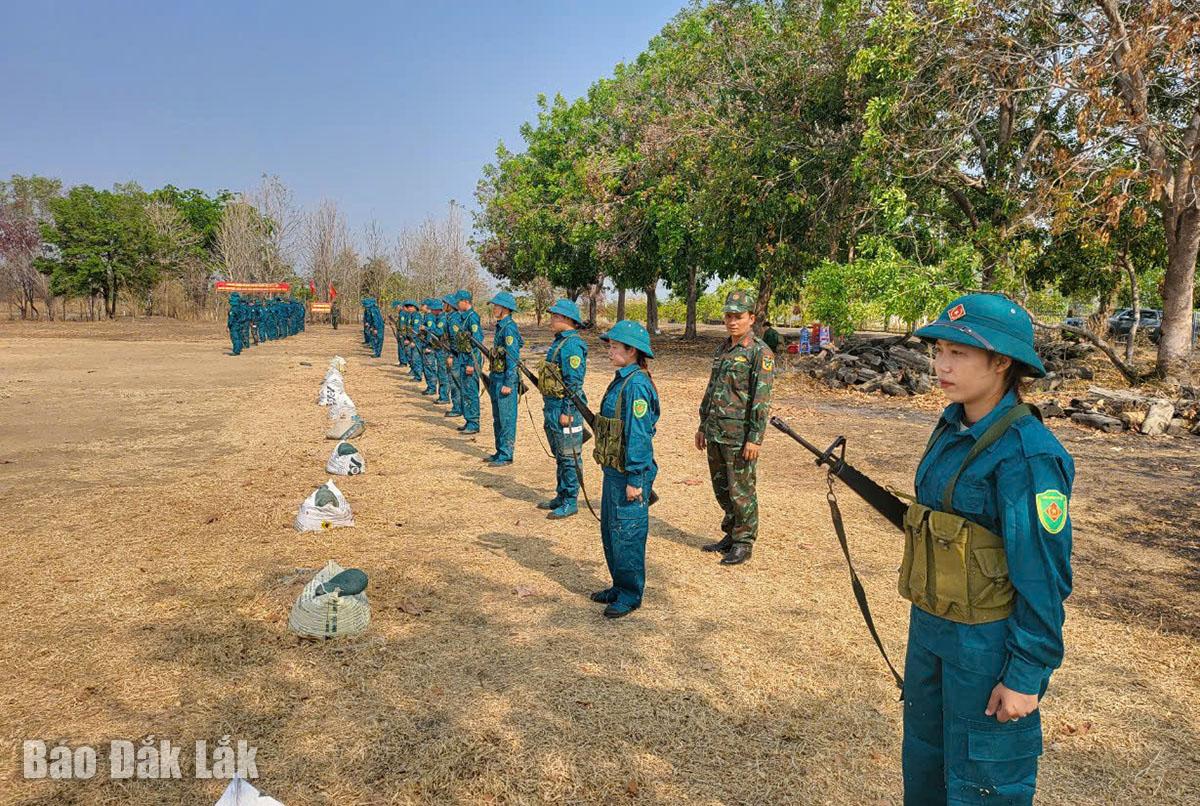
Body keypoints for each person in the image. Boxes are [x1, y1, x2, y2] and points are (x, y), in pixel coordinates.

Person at [900, 292, 1074, 805]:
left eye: (959, 353)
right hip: (930, 630)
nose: (941, 365)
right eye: (939, 351)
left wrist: (1024, 675)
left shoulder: (1028, 454)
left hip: (986, 646)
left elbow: (1043, 576)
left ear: (1002, 362)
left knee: (984, 784)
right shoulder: (951, 427)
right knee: (926, 767)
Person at [696, 289, 775, 566]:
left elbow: (761, 400)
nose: (732, 321)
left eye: (738, 316)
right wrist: (703, 424)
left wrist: (755, 438)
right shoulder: (723, 349)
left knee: (741, 489)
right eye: (728, 316)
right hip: (716, 430)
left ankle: (744, 541)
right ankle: (730, 533)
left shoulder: (759, 353)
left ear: (751, 318)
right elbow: (712, 390)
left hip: (740, 436)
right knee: (722, 488)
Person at [590, 320, 659, 619]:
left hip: (629, 474)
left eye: (615, 347)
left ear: (632, 351)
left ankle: (631, 593)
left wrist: (635, 477)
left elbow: (639, 435)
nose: (610, 351)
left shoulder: (637, 386)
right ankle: (619, 586)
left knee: (628, 533)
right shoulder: (622, 380)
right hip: (613, 470)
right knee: (611, 530)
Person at [536, 299, 588, 520]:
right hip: (553, 406)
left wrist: (568, 411)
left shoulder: (572, 345)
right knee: (560, 453)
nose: (551, 320)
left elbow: (573, 383)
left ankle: (571, 500)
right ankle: (561, 493)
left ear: (566, 319)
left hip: (566, 409)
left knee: (570, 456)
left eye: (554, 316)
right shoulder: (560, 342)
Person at [484, 291, 522, 466]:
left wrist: (509, 383)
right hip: (496, 377)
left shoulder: (509, 328)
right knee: (498, 418)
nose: (494, 309)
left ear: (505, 308)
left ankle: (506, 454)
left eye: (496, 306)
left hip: (505, 379)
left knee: (506, 418)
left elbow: (512, 358)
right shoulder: (501, 326)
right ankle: (500, 450)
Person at [453, 290, 483, 435]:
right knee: (465, 391)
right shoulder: (463, 317)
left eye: (458, 301)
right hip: (463, 359)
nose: (456, 304)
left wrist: (472, 363)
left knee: (471, 391)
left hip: (471, 359)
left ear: (466, 301)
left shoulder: (472, 317)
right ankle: (469, 419)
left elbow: (477, 342)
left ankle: (474, 422)